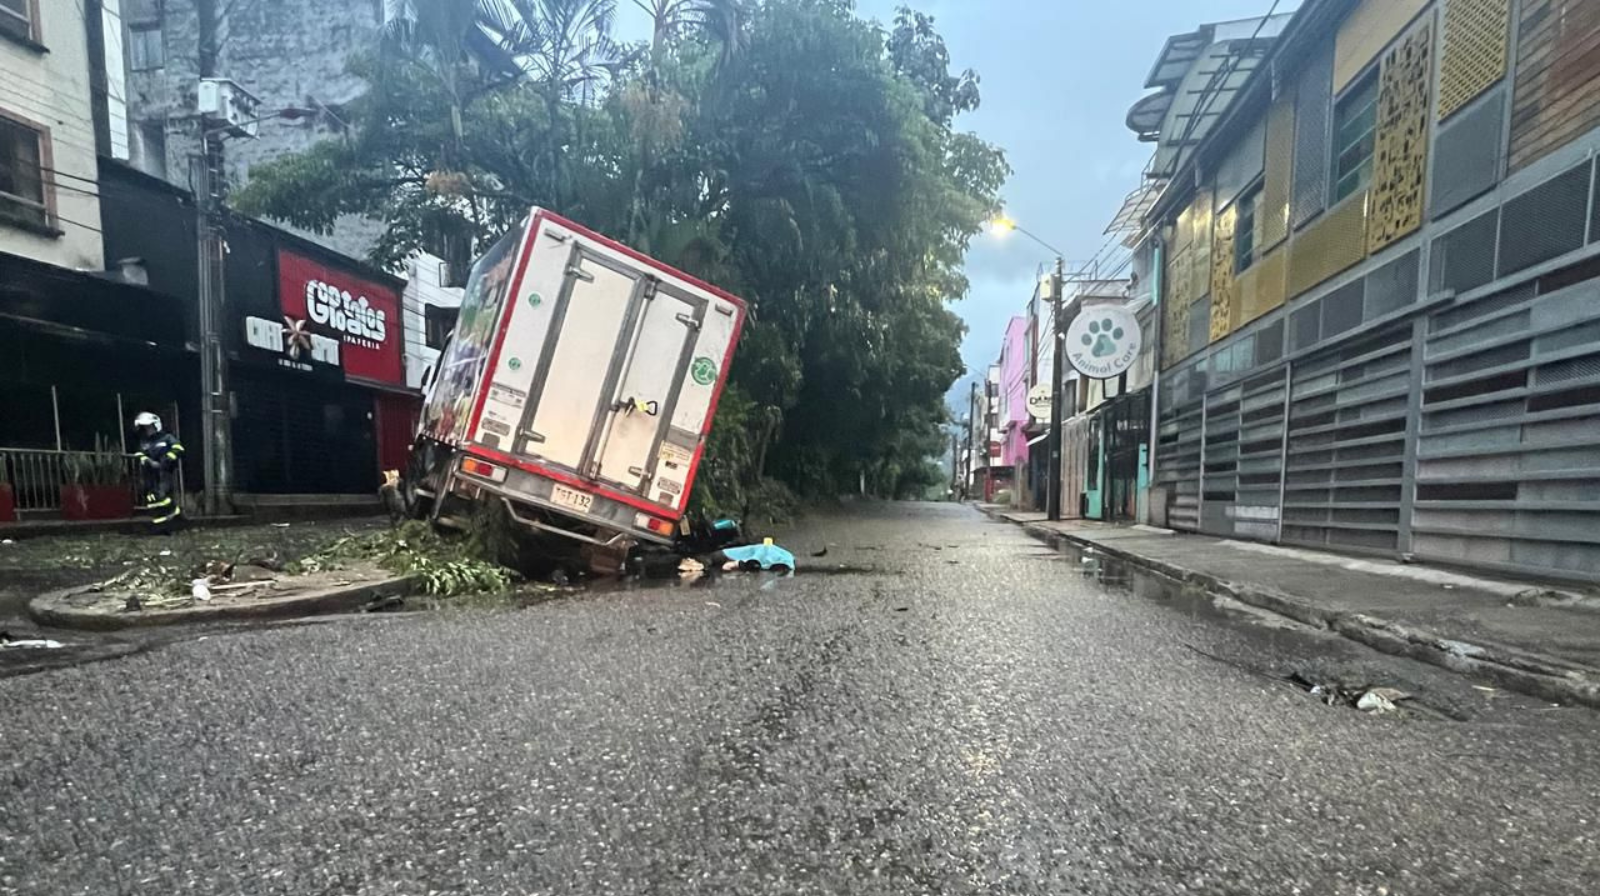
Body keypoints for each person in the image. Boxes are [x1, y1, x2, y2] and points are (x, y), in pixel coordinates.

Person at [133, 412, 184, 526]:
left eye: (149, 427)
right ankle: (161, 520)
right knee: (152, 498)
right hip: (149, 473)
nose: (147, 430)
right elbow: (139, 454)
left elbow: (178, 448)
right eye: (145, 427)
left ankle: (173, 513)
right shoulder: (145, 441)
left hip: (165, 472)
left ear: (156, 425)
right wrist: (148, 461)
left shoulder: (167, 438)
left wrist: (166, 460)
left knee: (162, 495)